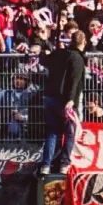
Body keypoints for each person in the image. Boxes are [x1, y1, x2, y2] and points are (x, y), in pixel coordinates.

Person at [40, 29, 86, 178]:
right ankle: (64, 164)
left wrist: (44, 46)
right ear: (83, 42)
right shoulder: (77, 58)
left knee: (52, 132)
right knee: (70, 132)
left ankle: (45, 165)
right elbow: (74, 80)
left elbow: (44, 61)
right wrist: (71, 99)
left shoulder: (58, 53)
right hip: (65, 100)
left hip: (49, 97)